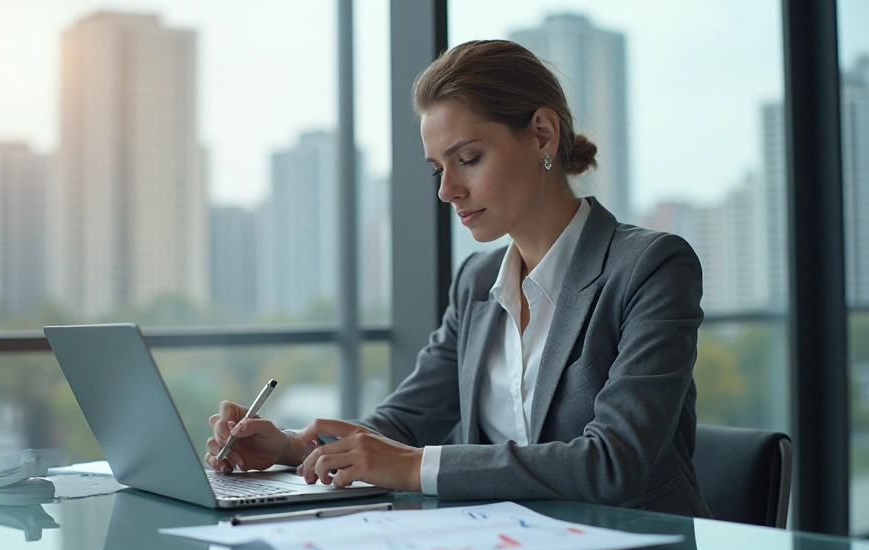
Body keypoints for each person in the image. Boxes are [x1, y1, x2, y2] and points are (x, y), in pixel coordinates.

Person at [205, 39, 711, 517]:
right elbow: (403, 422)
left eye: (468, 159)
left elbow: (613, 463)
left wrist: (409, 465)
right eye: (437, 169)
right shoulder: (477, 282)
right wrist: (291, 447)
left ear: (542, 133)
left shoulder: (651, 267)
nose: (447, 190)